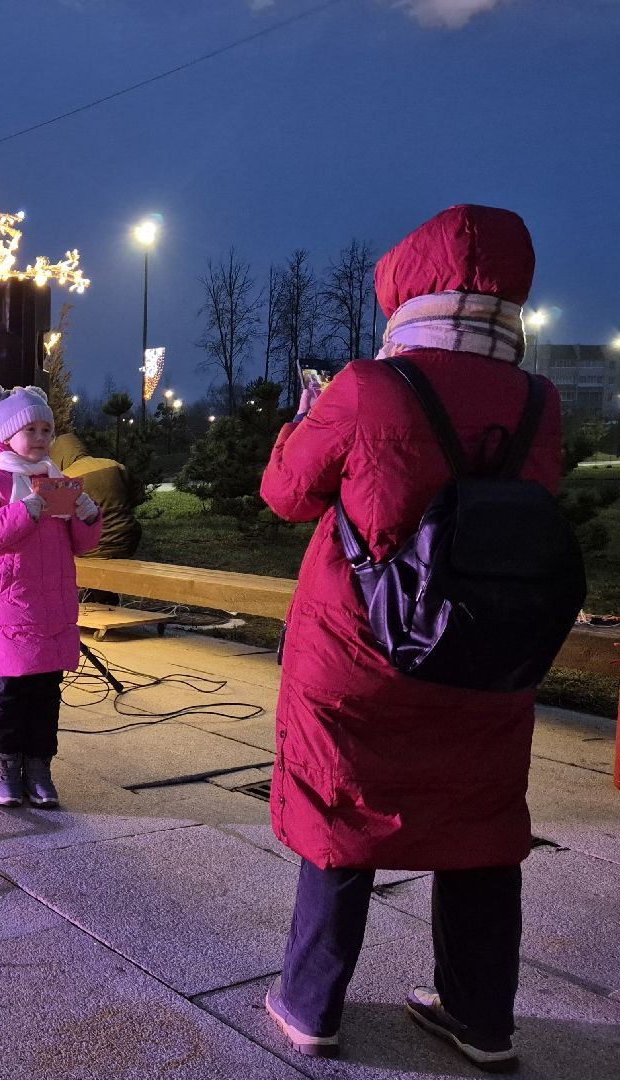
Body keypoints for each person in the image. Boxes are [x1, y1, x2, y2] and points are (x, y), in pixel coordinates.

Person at [259, 204, 561, 1072]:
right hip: (486, 654)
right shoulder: (540, 403)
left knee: (342, 807)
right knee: (480, 818)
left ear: (410, 288)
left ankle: (311, 1005)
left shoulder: (369, 387)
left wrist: (305, 420)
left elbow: (286, 492)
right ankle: (479, 1018)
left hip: (366, 649)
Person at [0, 384, 103, 808]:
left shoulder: (59, 482)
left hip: (53, 607)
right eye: (30, 429)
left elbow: (80, 544)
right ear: (7, 435)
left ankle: (39, 766)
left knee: (45, 692)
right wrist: (21, 512)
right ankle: (5, 765)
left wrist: (88, 517)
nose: (40, 437)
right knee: (8, 691)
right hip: (10, 607)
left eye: (46, 429)